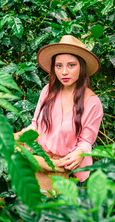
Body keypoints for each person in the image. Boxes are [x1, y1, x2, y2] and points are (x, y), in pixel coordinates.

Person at [15, 35, 103, 191]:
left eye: (71, 65)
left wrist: (80, 153)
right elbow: (36, 126)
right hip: (41, 163)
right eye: (59, 66)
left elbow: (85, 141)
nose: (64, 72)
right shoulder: (47, 91)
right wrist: (19, 137)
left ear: (81, 67)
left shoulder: (92, 103)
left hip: (67, 169)